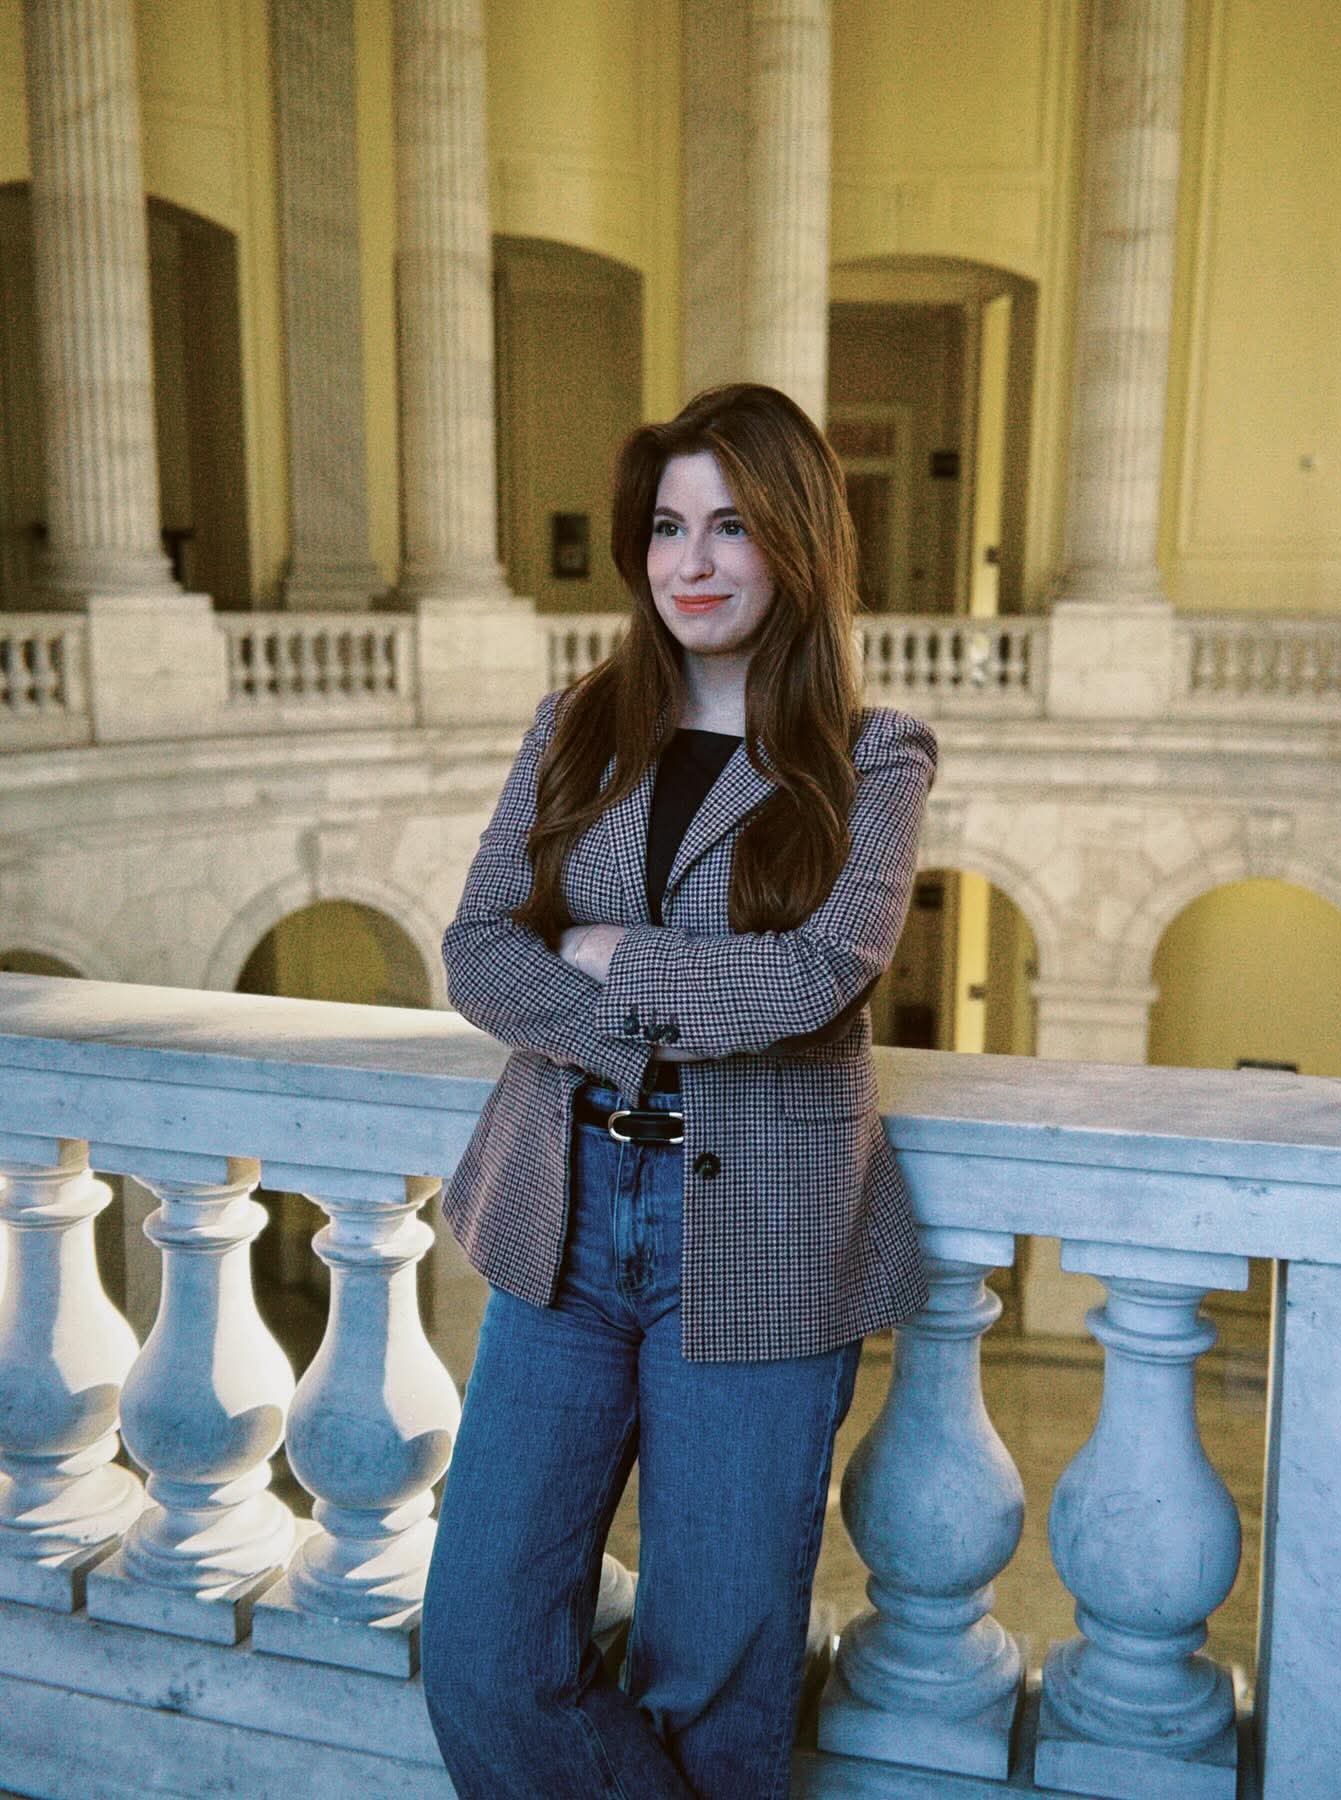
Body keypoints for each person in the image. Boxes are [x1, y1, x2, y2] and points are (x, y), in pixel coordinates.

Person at [422, 382, 938, 1799]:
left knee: (713, 1681)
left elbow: (817, 978)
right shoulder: (574, 727)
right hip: (563, 1222)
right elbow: (478, 953)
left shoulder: (873, 756)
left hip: (763, 1239)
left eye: (730, 527)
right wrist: (654, 1009)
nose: (690, 563)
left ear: (798, 544)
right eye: (666, 527)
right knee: (480, 1653)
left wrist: (604, 956)